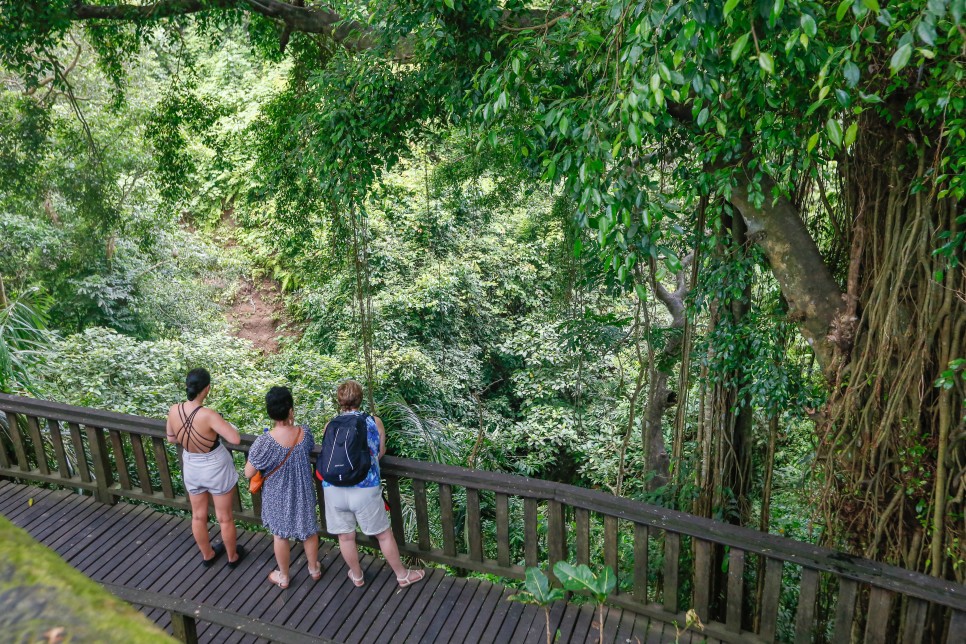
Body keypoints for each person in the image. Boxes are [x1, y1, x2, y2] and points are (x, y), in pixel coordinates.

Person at [320, 380, 424, 588]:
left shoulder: (330, 424)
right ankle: (402, 575)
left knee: (346, 536)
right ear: (360, 398)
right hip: (364, 488)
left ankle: (357, 576)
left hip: (333, 488)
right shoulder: (372, 421)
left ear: (339, 401)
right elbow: (379, 451)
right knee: (383, 535)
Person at [165, 368, 245, 567]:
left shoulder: (174, 409)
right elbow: (235, 438)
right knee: (224, 518)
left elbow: (171, 438)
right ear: (207, 389)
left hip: (191, 464)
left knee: (198, 515)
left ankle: (207, 555)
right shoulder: (208, 415)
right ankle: (232, 557)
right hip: (215, 466)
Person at [244, 386, 321, 588]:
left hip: (277, 495)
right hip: (303, 492)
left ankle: (284, 576)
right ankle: (314, 569)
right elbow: (310, 448)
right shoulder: (304, 433)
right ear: (290, 409)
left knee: (280, 534)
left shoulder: (264, 442)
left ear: (270, 412)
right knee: (309, 531)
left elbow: (248, 472)